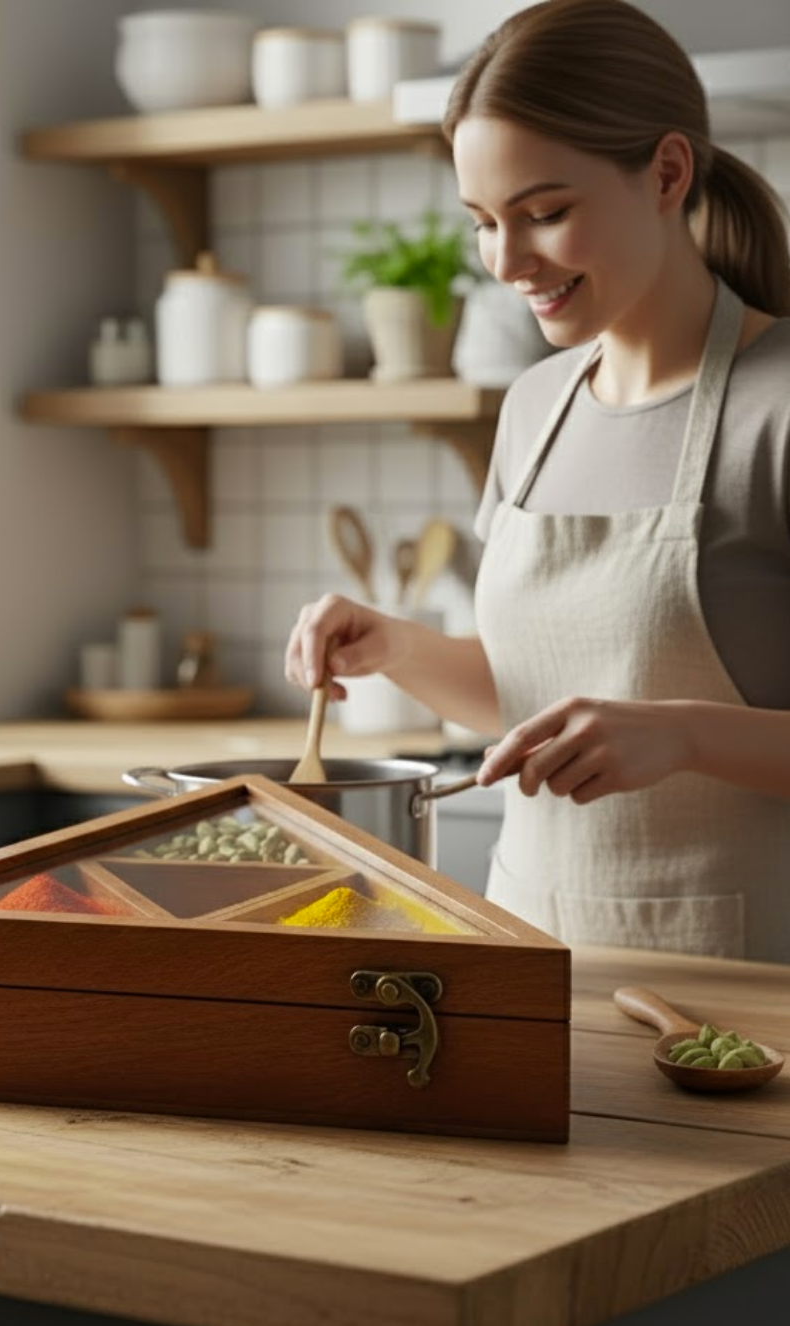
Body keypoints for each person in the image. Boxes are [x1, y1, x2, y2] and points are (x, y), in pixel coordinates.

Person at [285, 0, 790, 963]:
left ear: (667, 174)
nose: (507, 262)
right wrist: (393, 646)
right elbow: (536, 703)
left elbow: (645, 719)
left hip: (745, 982)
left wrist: (686, 736)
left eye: (545, 214)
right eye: (483, 223)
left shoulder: (778, 407)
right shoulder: (534, 406)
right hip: (531, 949)